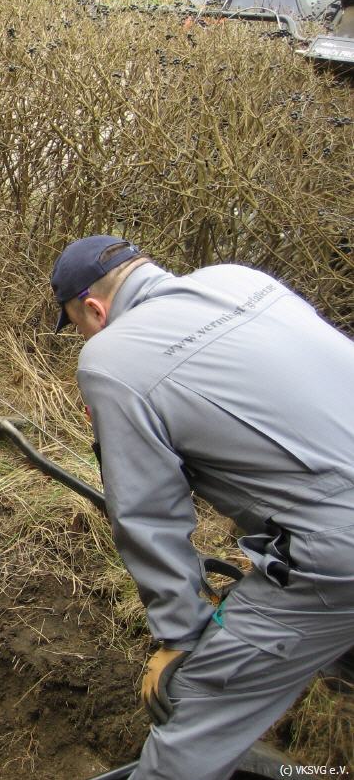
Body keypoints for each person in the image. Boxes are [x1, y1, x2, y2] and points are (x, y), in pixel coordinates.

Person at [51, 235, 354, 780]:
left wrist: (180, 636)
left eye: (77, 325)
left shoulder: (110, 357)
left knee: (196, 702)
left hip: (337, 551)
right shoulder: (241, 278)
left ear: (94, 310)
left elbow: (147, 512)